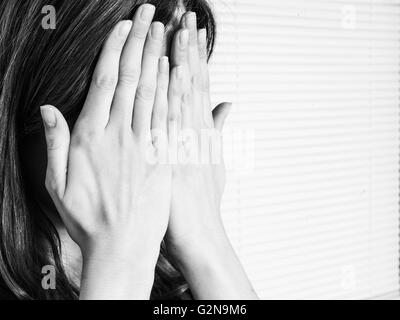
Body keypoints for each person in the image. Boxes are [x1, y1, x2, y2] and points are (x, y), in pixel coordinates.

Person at [0, 0, 258, 300]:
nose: (163, 131)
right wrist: (119, 261)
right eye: (136, 89)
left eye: (178, 88)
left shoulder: (174, 270)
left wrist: (205, 241)